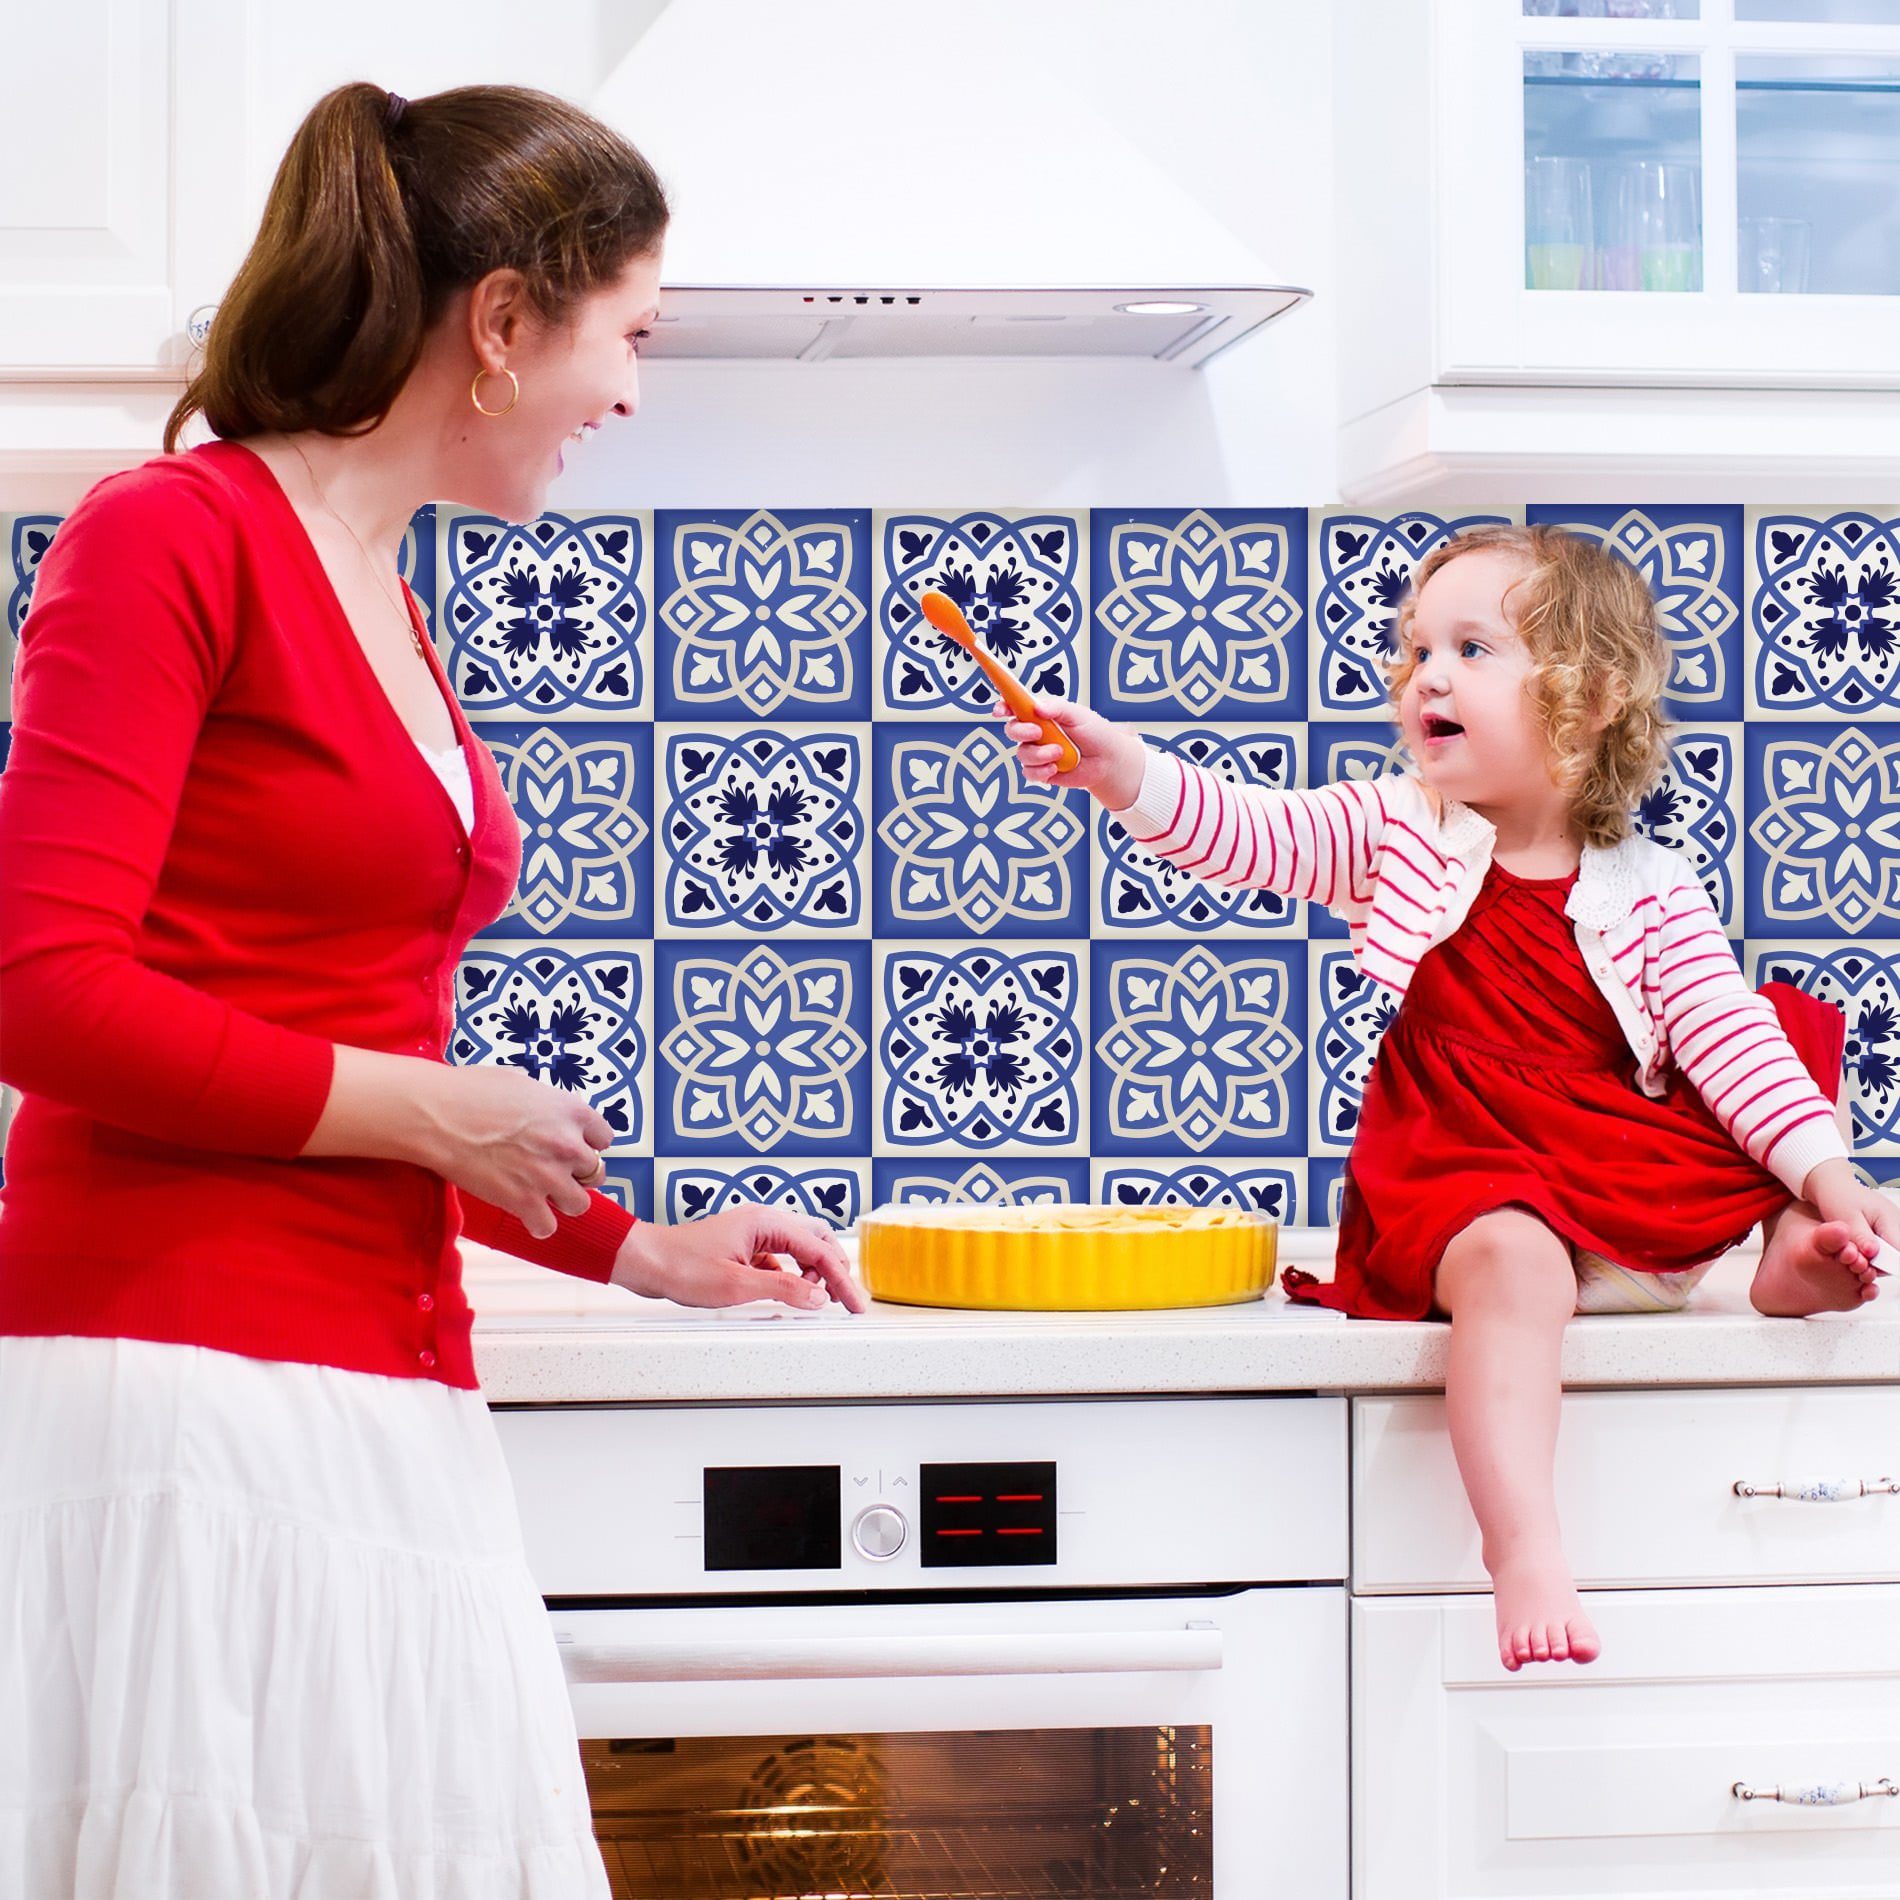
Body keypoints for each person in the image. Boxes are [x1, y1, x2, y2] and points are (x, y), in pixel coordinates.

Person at [0, 80, 866, 1897]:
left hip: (369, 1366)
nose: (630, 393)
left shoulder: (386, 590)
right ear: (499, 325)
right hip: (181, 1383)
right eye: (625, 335)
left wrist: (633, 1248)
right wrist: (434, 1112)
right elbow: (44, 993)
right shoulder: (170, 536)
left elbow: (361, 1047)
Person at [1000, 522, 1894, 1673]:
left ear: (1588, 701)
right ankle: (1521, 1543)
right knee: (1516, 1264)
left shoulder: (1650, 886)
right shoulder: (1393, 831)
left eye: (1473, 648)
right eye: (1418, 649)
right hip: (1467, 1172)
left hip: (1608, 1161)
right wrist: (1118, 768)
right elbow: (1243, 830)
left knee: (1779, 1040)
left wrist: (1830, 1173)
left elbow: (1726, 1048)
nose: (1427, 673)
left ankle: (1794, 1253)